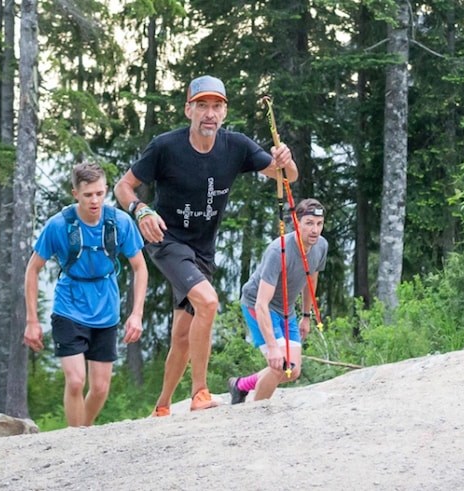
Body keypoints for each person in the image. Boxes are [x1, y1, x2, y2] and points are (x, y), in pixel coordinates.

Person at [114, 75, 298, 416]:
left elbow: (286, 178)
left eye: (216, 106)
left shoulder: (236, 146)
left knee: (182, 334)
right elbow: (123, 186)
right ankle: (200, 392)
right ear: (189, 110)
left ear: (224, 112)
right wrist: (140, 210)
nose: (209, 114)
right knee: (209, 303)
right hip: (166, 239)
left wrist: (285, 160)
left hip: (202, 250)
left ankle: (162, 405)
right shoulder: (165, 147)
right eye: (202, 106)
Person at [24, 162, 148, 427]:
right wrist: (32, 321)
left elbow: (140, 267)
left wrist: (136, 314)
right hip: (68, 308)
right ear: (75, 193)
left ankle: (84, 430)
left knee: (101, 387)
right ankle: (75, 437)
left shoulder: (119, 223)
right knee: (77, 380)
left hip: (106, 311)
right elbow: (32, 270)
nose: (95, 200)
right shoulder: (59, 226)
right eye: (88, 194)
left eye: (100, 194)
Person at [228, 198, 327, 404]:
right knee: (280, 365)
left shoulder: (320, 246)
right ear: (296, 222)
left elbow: (311, 279)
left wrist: (306, 316)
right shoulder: (278, 251)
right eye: (309, 223)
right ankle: (257, 413)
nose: (315, 230)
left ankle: (240, 385)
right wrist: (273, 347)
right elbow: (261, 304)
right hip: (259, 305)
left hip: (287, 310)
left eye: (319, 223)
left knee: (293, 370)